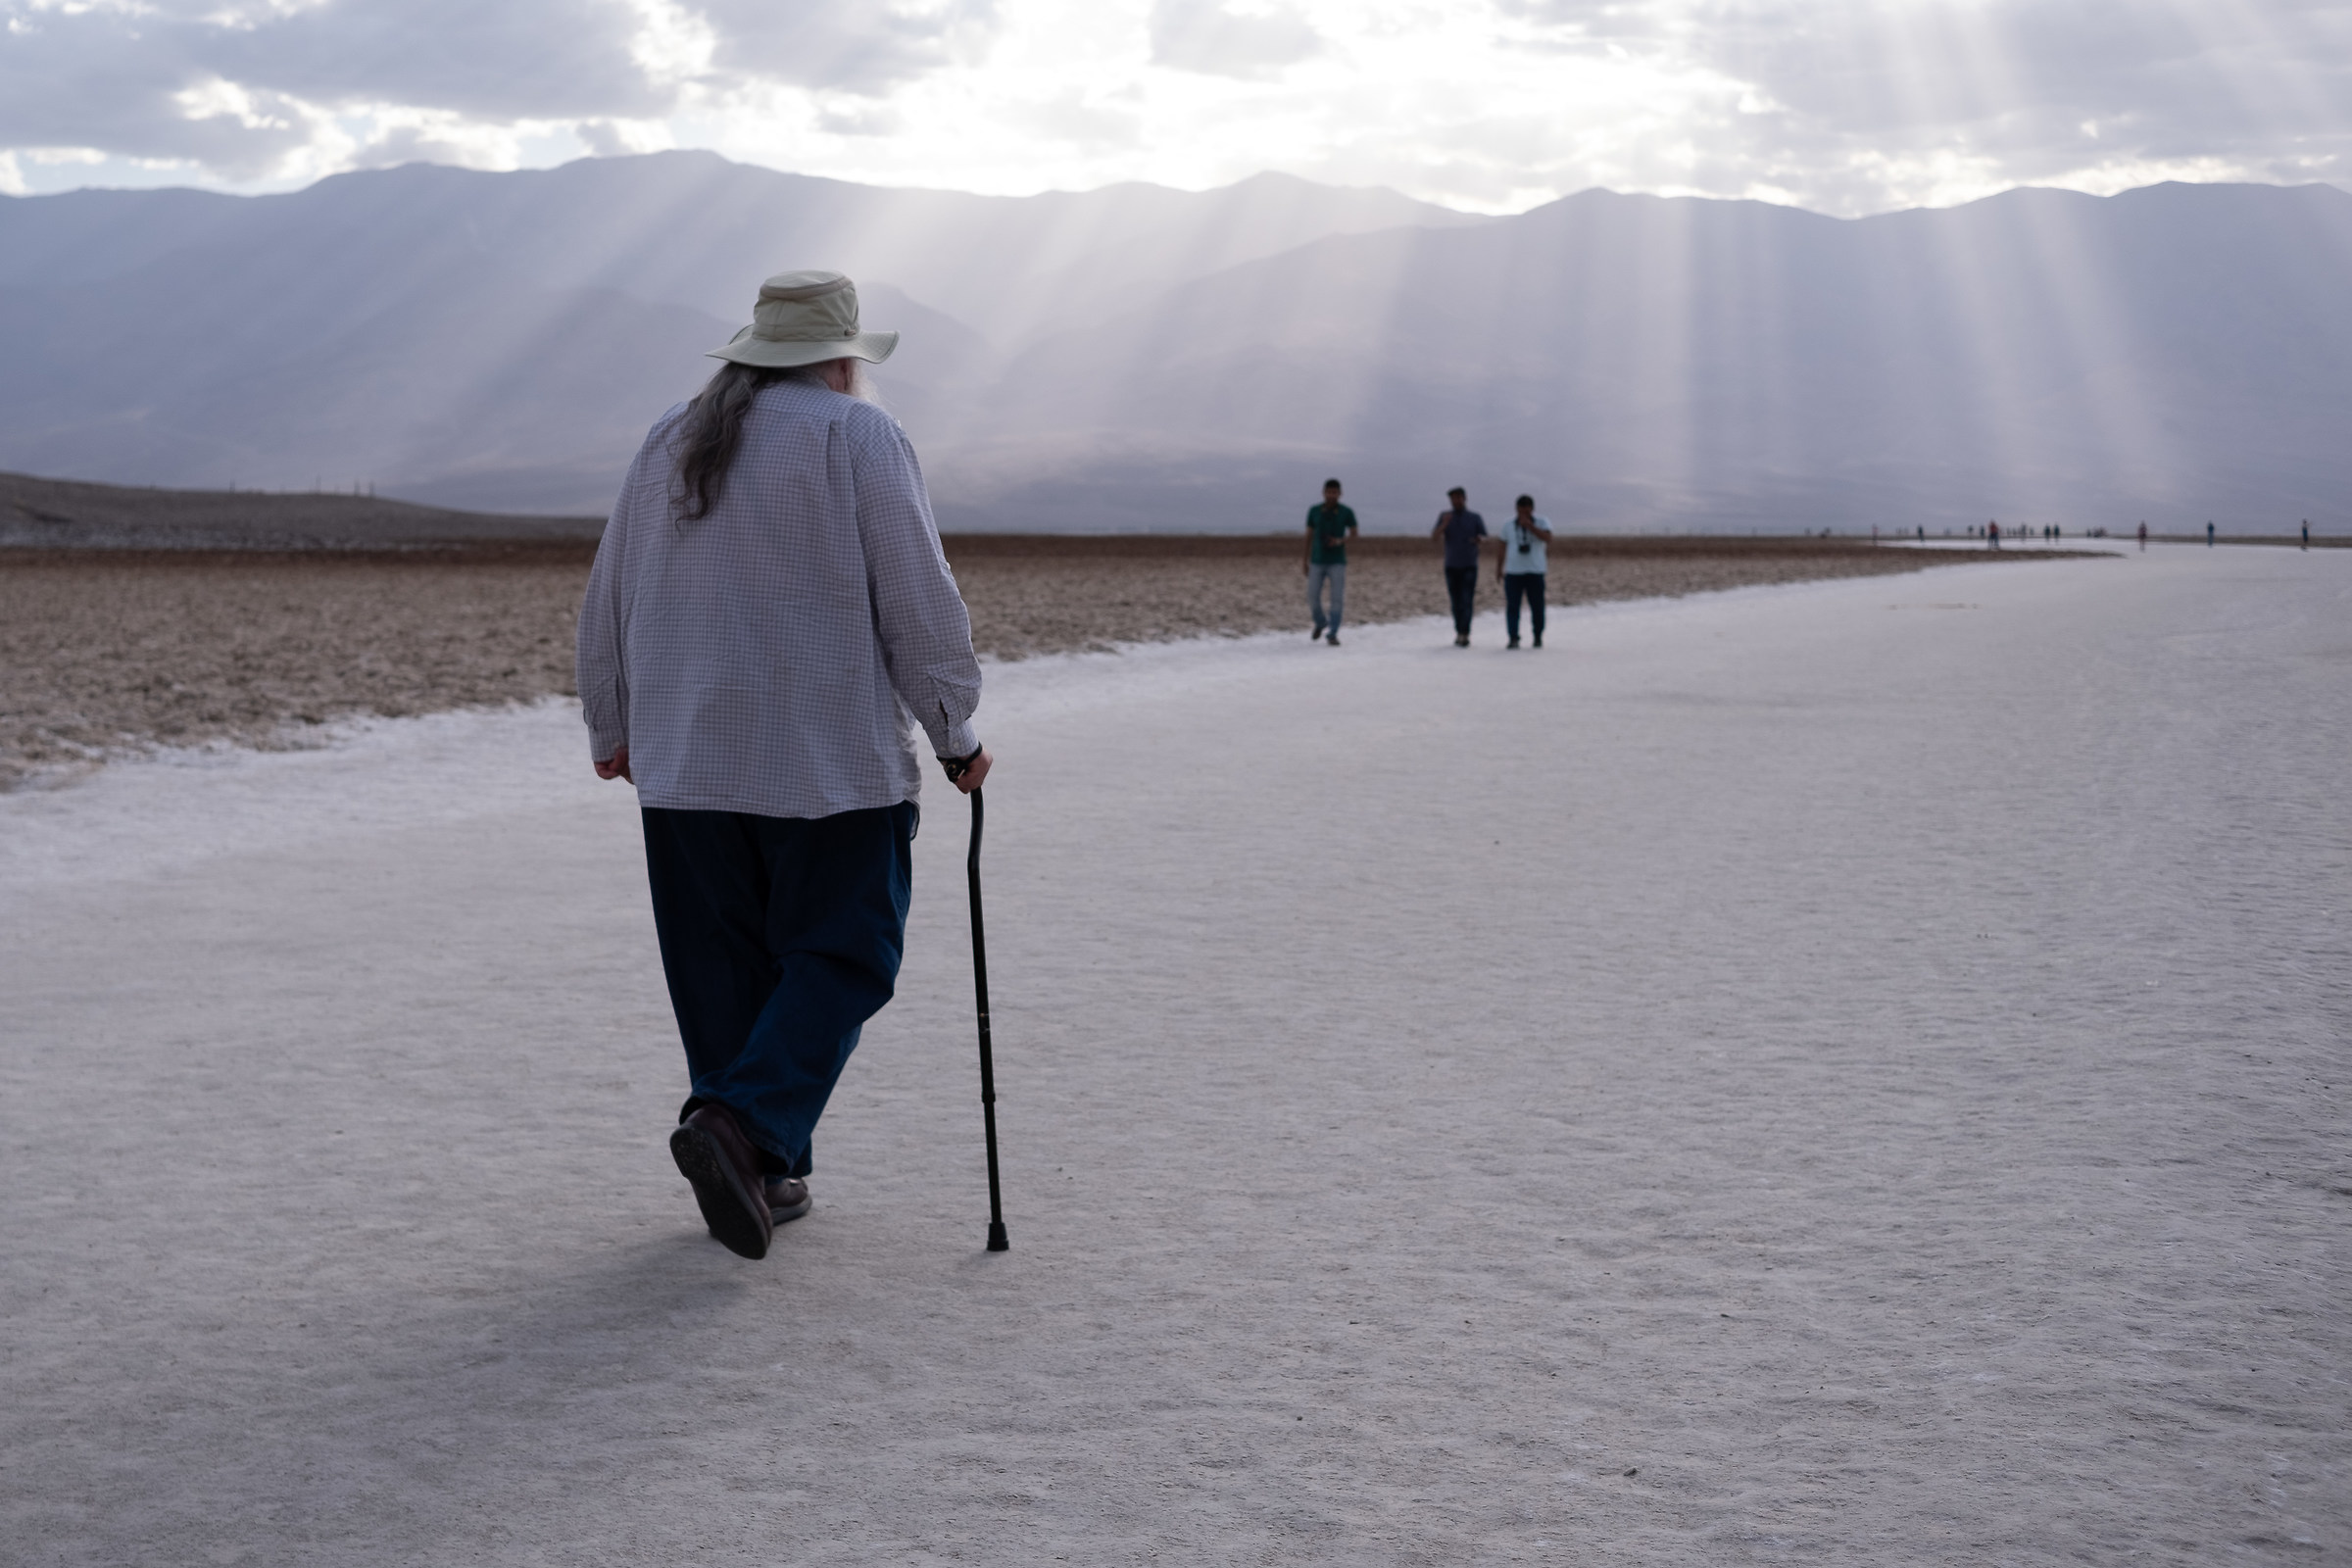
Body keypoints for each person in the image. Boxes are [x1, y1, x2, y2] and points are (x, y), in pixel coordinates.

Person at [576, 270, 988, 1262]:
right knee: (848, 951)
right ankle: (740, 1125)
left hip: (686, 763)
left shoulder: (670, 436)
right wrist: (955, 733)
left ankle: (763, 1168)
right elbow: (918, 602)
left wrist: (613, 724)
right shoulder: (858, 436)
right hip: (829, 762)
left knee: (721, 969)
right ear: (843, 359)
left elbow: (609, 593)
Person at [1494, 494, 1553, 649]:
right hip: (1514, 572)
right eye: (1521, 511)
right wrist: (1499, 568)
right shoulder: (1508, 525)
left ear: (1532, 509)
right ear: (1517, 509)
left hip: (1535, 571)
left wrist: (1530, 527)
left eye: (1527, 511)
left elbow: (1548, 538)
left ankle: (1538, 636)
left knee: (1537, 606)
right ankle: (1513, 637)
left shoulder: (1542, 522)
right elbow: (1502, 547)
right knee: (1513, 606)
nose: (1524, 514)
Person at [1303, 477, 1356, 645]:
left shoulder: (1346, 512)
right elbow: (1309, 536)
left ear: (1340, 494)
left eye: (1334, 492)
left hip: (1337, 561)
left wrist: (1339, 541)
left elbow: (1354, 534)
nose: (1331, 495)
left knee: (1337, 598)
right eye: (1329, 492)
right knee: (1312, 596)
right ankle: (1320, 622)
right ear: (1324, 492)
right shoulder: (1314, 511)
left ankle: (1333, 632)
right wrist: (1304, 559)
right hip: (1317, 560)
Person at [1432, 487, 1487, 646]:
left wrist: (1478, 540)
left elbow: (1483, 536)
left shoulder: (1474, 517)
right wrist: (1444, 524)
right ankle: (1459, 630)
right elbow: (1434, 537)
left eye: (1458, 498)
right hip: (1451, 565)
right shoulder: (1445, 516)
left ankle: (1465, 633)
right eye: (1453, 499)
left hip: (1469, 564)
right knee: (1455, 602)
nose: (1456, 501)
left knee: (1467, 599)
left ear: (1464, 498)